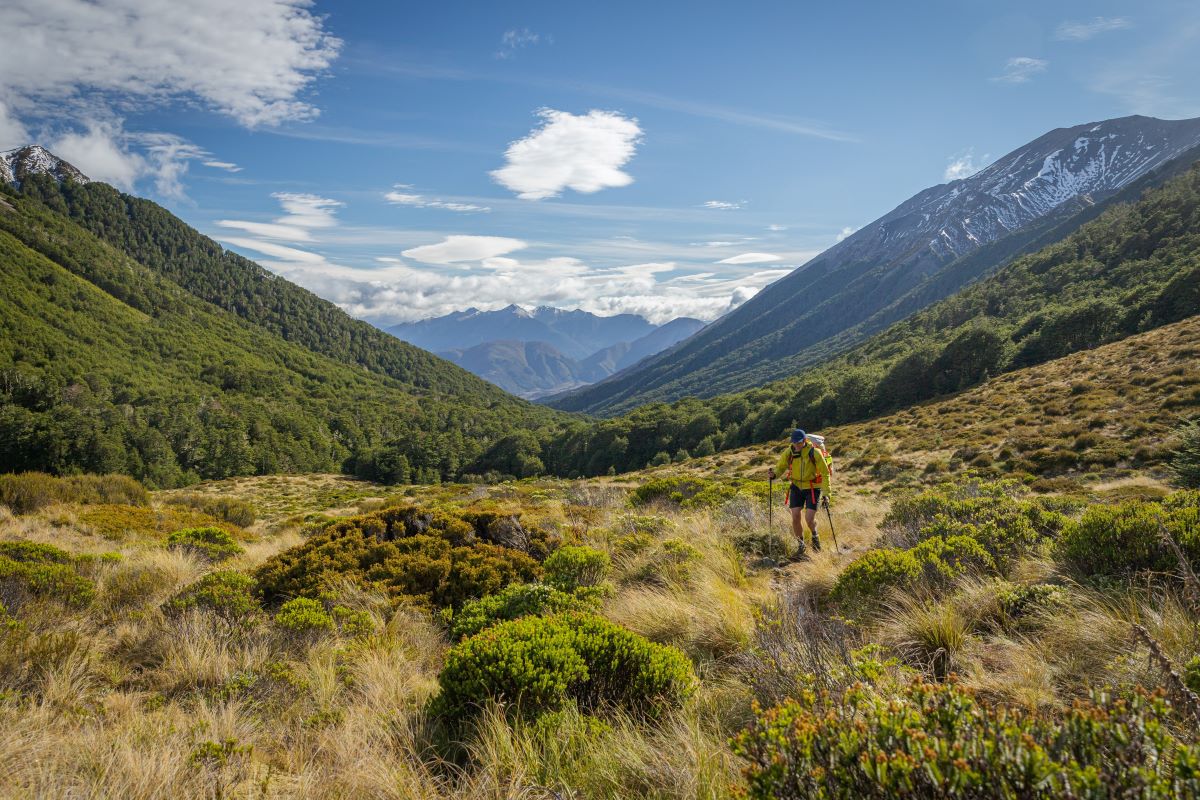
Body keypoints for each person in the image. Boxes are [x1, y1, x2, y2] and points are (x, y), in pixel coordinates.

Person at [768, 428, 831, 559]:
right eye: (794, 443)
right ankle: (801, 546)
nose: (796, 445)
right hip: (796, 486)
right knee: (795, 516)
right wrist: (774, 475)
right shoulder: (789, 452)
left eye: (799, 442)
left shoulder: (815, 452)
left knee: (809, 519)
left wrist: (826, 493)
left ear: (804, 440)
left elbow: (825, 473)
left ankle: (815, 536)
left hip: (812, 487)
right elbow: (781, 467)